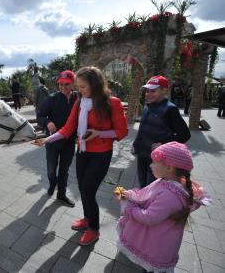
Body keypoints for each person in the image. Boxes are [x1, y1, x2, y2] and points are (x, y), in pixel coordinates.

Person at [35, 66, 128, 245]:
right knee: (83, 189)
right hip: (83, 152)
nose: (79, 91)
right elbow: (69, 128)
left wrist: (99, 133)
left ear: (95, 85)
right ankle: (87, 218)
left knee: (88, 191)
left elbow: (122, 132)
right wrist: (47, 140)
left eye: (83, 87)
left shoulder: (113, 103)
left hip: (101, 154)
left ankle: (94, 229)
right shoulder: (80, 102)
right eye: (78, 87)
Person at [116, 141, 211, 273]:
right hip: (156, 240)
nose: (150, 165)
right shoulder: (165, 181)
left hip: (157, 245)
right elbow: (145, 194)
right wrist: (130, 195)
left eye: (154, 162)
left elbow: (149, 217)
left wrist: (127, 206)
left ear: (169, 168)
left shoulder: (170, 195)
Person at [133, 76, 191, 188]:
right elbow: (142, 129)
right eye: (147, 91)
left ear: (164, 90)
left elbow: (184, 135)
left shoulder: (170, 109)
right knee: (142, 186)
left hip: (158, 160)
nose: (148, 94)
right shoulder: (148, 106)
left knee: (152, 189)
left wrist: (163, 144)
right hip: (142, 155)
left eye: (153, 91)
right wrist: (136, 145)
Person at [36, 70, 79, 208]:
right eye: (61, 84)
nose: (63, 87)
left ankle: (61, 194)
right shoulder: (51, 99)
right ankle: (52, 183)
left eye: (67, 84)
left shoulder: (78, 99)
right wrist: (48, 122)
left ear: (73, 84)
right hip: (53, 141)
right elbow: (40, 116)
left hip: (69, 142)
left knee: (64, 170)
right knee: (51, 170)